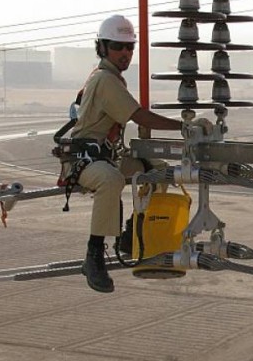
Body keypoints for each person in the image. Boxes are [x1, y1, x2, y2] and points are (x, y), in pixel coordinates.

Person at [70, 15, 210, 293]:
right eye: (117, 46)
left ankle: (131, 232)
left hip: (106, 156)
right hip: (85, 160)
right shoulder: (105, 80)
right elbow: (139, 116)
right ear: (103, 48)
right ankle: (93, 255)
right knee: (110, 180)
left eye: (129, 47)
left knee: (158, 171)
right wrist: (184, 128)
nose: (125, 53)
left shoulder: (111, 78)